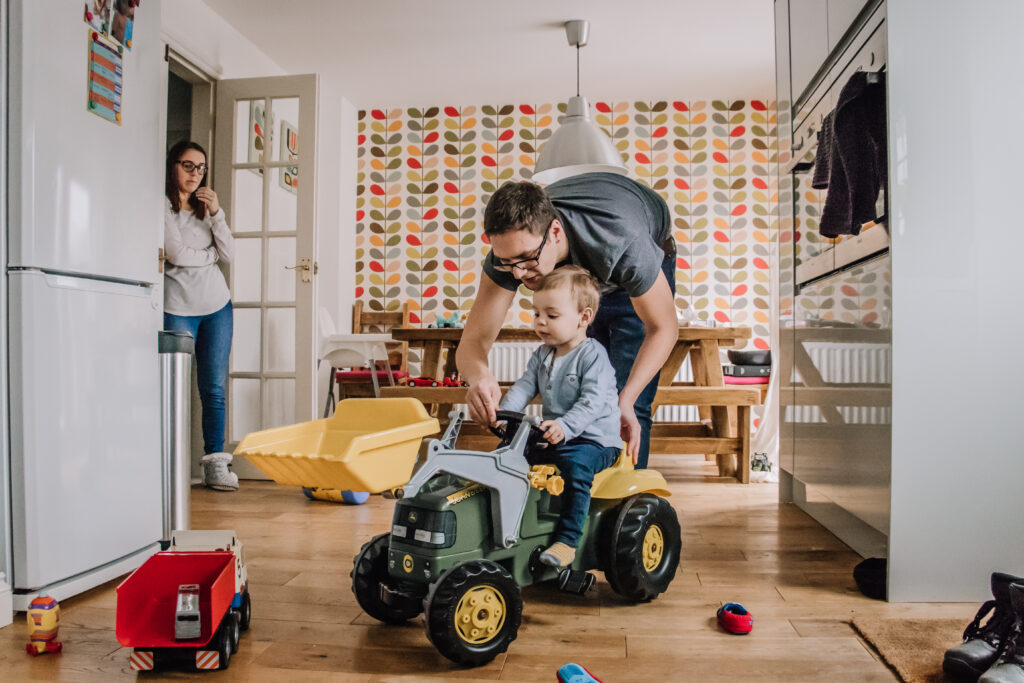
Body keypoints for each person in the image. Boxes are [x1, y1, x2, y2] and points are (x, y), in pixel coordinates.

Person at [457, 172, 677, 469]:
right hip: (585, 267)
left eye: (526, 258)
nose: (518, 275)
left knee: (622, 404)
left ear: (556, 232)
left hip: (629, 269)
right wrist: (479, 376)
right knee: (576, 398)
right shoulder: (510, 256)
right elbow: (473, 341)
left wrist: (626, 398)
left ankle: (621, 508)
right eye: (508, 263)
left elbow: (664, 328)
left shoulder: (623, 241)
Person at [498, 266, 622, 568]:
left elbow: (591, 402)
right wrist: (506, 414)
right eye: (536, 313)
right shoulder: (542, 354)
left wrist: (566, 426)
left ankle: (567, 541)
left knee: (575, 469)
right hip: (554, 433)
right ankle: (510, 528)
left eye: (551, 315)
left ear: (584, 318)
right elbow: (525, 386)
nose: (541, 322)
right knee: (506, 459)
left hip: (594, 440)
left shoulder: (593, 356)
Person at [163, 141, 237, 491]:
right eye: (188, 166)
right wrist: (208, 256)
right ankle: (169, 463)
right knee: (172, 387)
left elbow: (229, 253)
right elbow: (175, 254)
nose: (195, 174)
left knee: (214, 388)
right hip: (177, 307)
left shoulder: (206, 209)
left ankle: (215, 466)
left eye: (201, 168)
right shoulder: (161, 206)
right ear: (173, 166)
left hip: (217, 306)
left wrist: (218, 213)